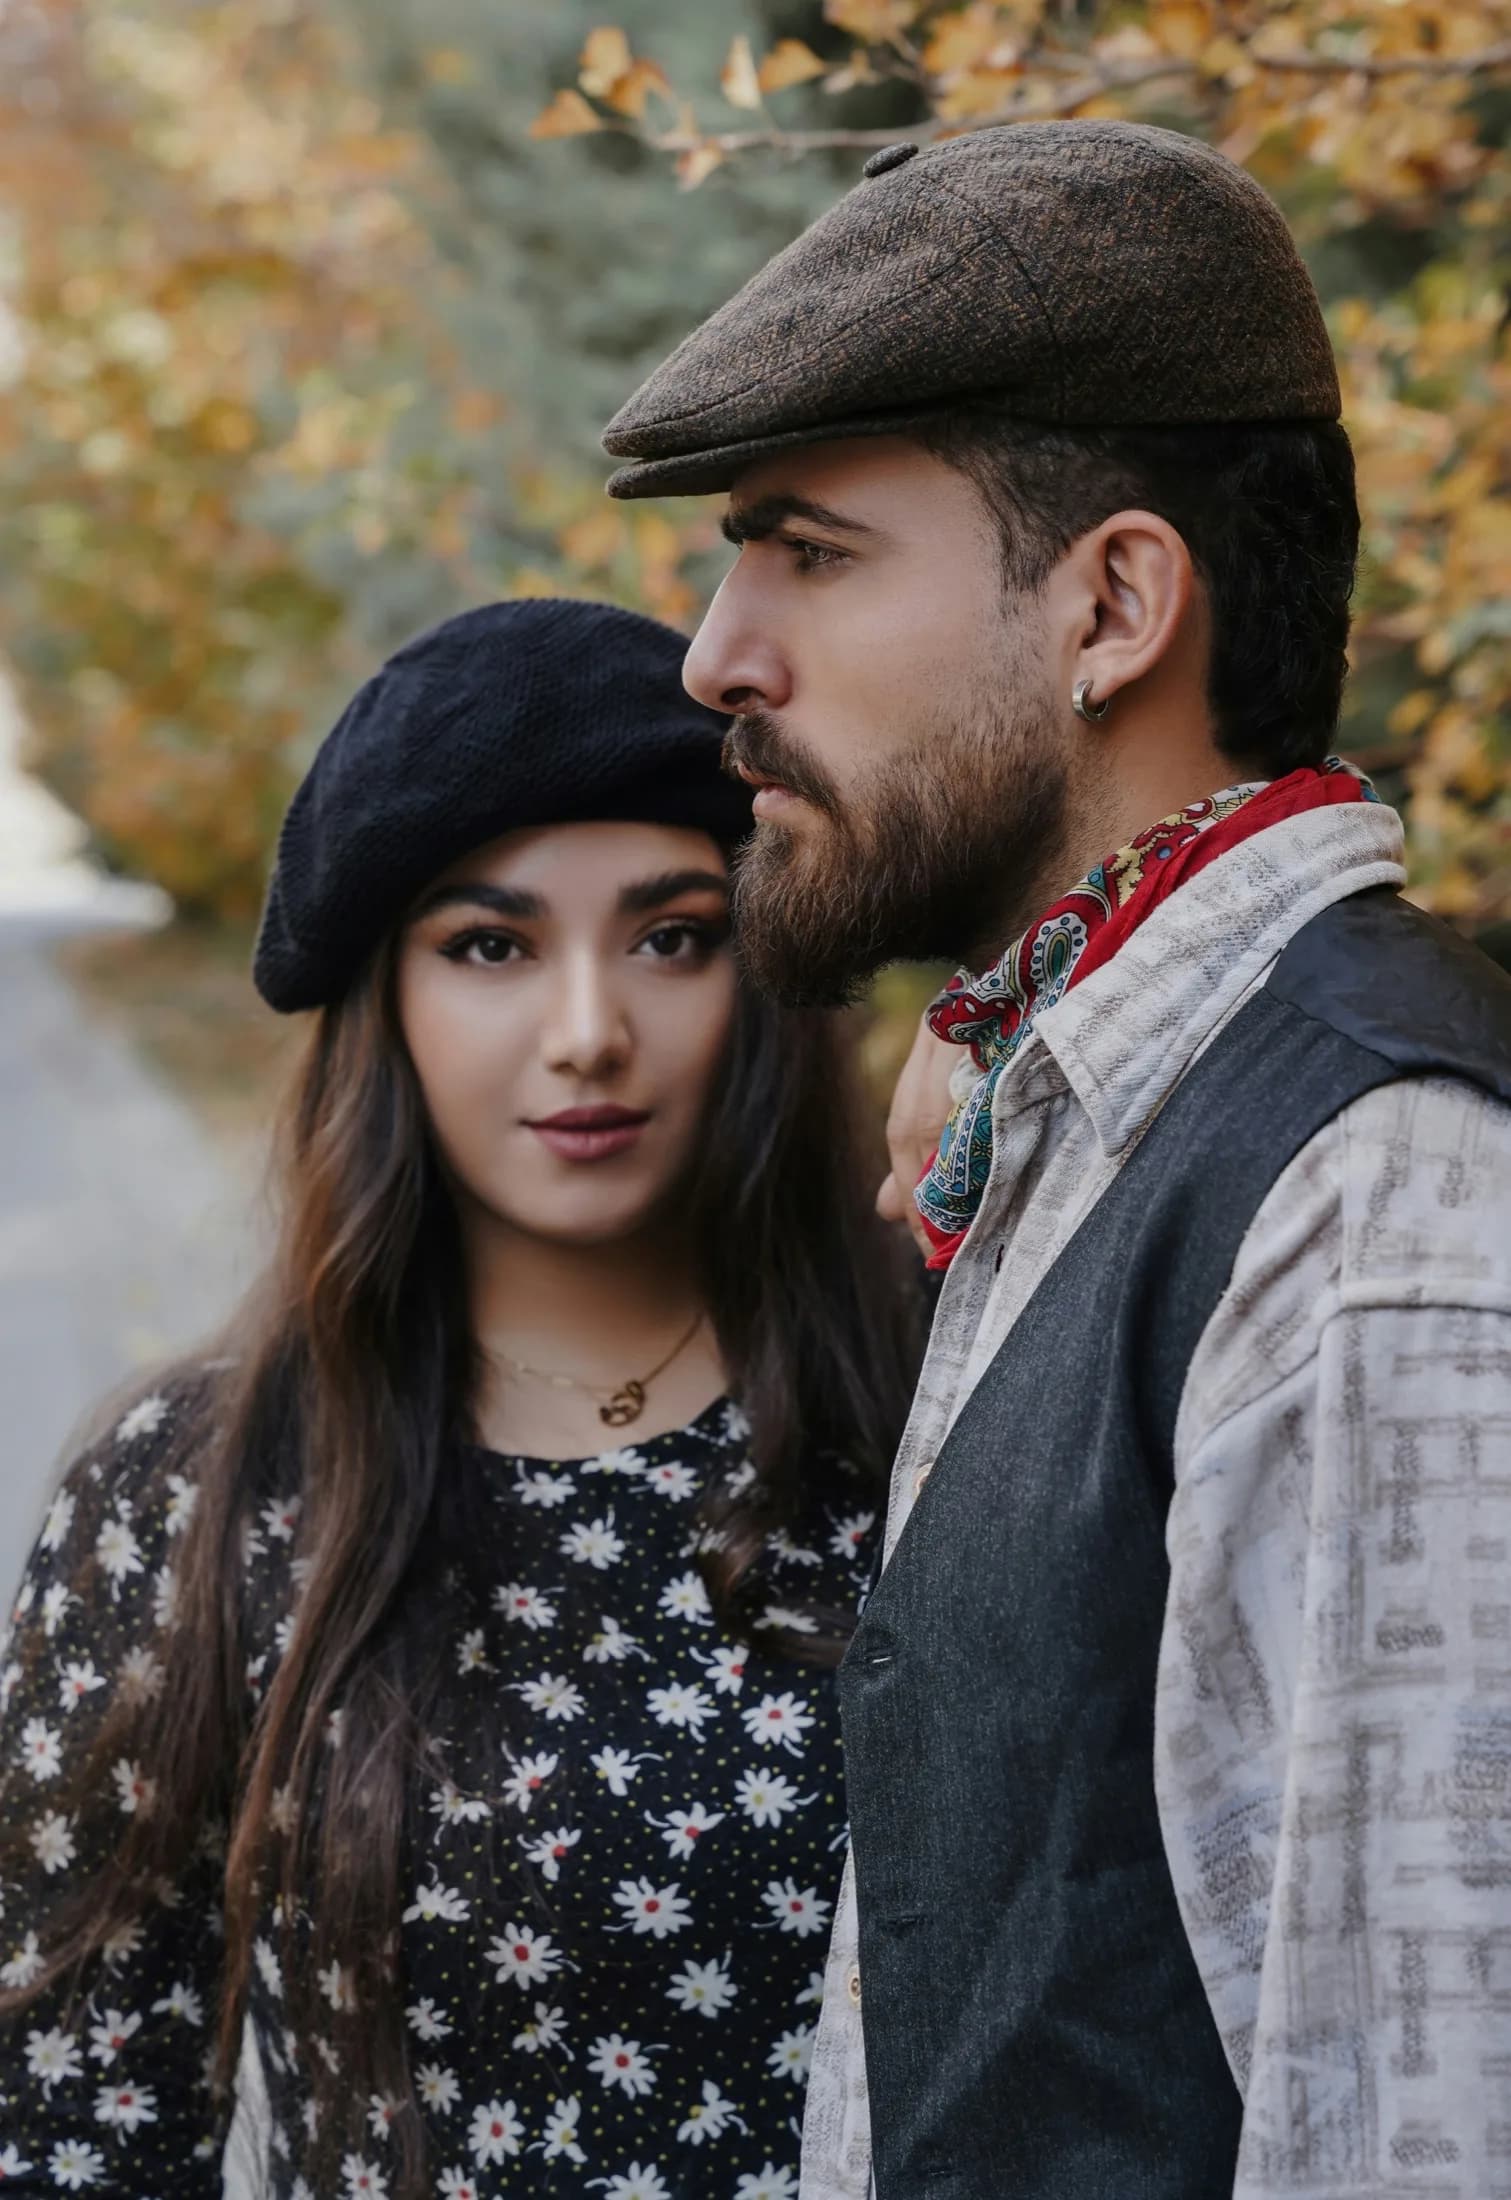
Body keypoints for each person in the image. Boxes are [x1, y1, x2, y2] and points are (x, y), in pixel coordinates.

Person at [600, 121, 1511, 2200]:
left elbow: (1428, 2124)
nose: (716, 655)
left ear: (1112, 603)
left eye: (809, 551)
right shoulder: (1097, 1101)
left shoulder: (1378, 1204)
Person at [0, 598, 920, 2199]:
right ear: (390, 1001)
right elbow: (72, 2132)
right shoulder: (195, 1490)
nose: (589, 1034)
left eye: (673, 936)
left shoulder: (941, 1399)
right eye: (491, 946)